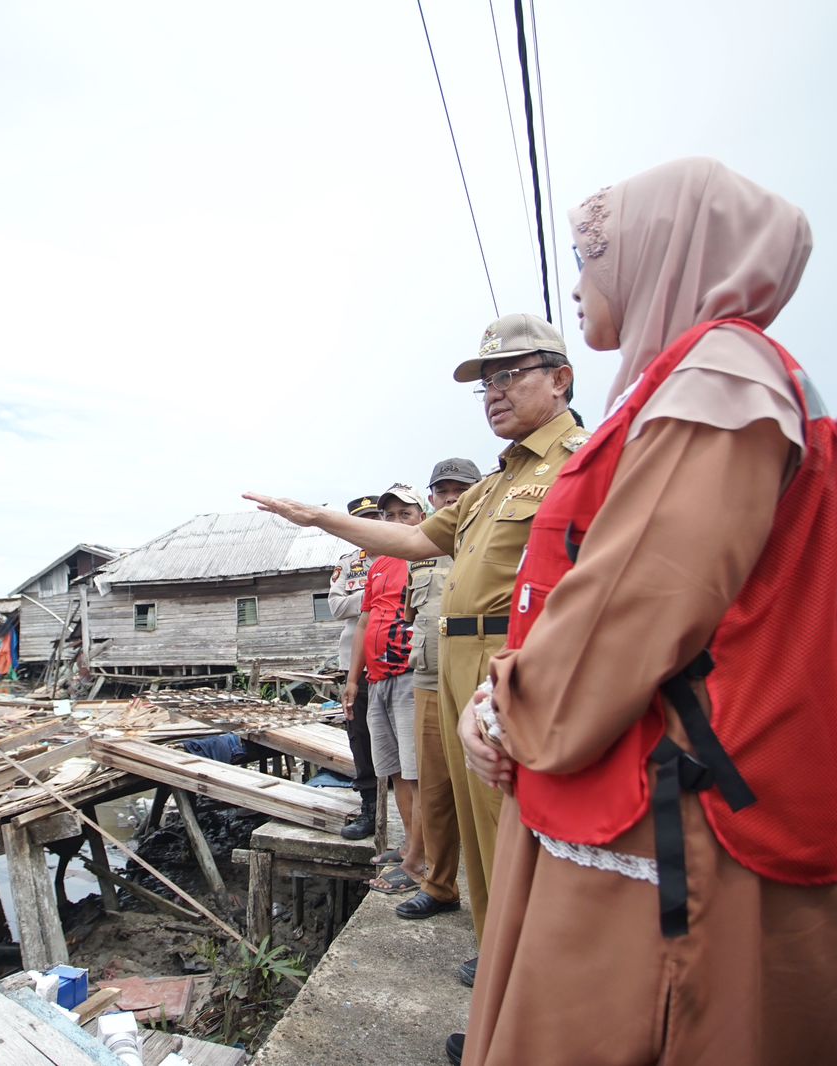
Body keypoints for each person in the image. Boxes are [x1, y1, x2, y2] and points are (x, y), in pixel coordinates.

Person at [458, 158, 837, 1066]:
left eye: (591, 258)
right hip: (650, 771)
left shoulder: (719, 379)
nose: (577, 286)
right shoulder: (690, 379)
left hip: (670, 801)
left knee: (626, 1024)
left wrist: (507, 707)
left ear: (664, 251)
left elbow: (637, 604)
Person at [246, 311, 587, 968]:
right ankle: (497, 962)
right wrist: (319, 518)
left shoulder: (583, 463)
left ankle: (529, 979)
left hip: (511, 662)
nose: (494, 392)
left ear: (560, 379)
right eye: (484, 382)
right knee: (473, 816)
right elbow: (414, 539)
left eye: (510, 376)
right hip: (451, 662)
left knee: (517, 825)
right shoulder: (494, 486)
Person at [395, 458, 482, 920]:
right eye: (443, 491)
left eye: (460, 489)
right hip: (428, 677)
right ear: (432, 499)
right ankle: (439, 885)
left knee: (487, 794)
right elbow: (413, 616)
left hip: (479, 678)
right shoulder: (423, 549)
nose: (451, 498)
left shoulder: (488, 539)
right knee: (435, 788)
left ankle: (498, 910)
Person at [348, 485, 428, 891]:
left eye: (405, 514)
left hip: (409, 673)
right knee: (394, 771)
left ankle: (420, 857)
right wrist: (351, 680)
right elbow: (364, 621)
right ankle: (407, 843)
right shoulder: (377, 564)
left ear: (422, 518)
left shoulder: (427, 554)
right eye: (389, 516)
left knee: (416, 772)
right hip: (376, 678)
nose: (395, 522)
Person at [330, 496, 384, 840]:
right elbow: (336, 607)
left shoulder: (410, 553)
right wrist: (377, 595)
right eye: (359, 520)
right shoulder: (350, 564)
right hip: (356, 665)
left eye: (373, 518)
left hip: (398, 660)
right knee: (360, 736)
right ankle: (370, 808)